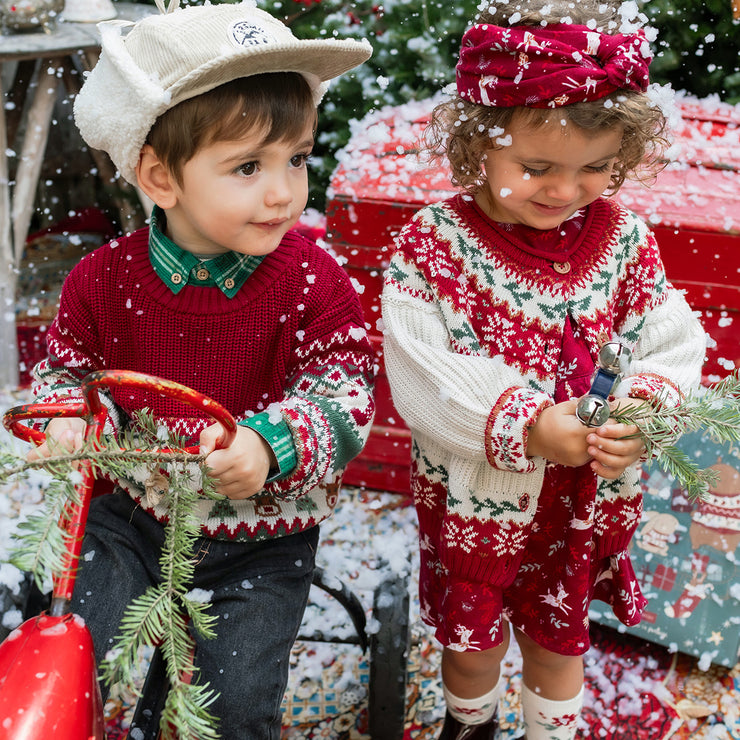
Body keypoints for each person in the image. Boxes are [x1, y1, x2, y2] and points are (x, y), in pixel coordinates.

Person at [27, 2, 374, 737]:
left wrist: (275, 442)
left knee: (230, 705)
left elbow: (345, 388)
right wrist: (66, 421)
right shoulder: (102, 281)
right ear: (160, 177)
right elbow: (67, 369)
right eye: (248, 166)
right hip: (129, 513)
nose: (283, 190)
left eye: (297, 158)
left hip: (260, 533)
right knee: (66, 635)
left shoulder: (312, 281)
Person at [380, 1, 706, 738]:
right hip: (476, 502)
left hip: (580, 501)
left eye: (595, 168)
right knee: (473, 646)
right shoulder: (435, 248)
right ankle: (472, 722)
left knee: (560, 642)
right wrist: (524, 425)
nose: (564, 191)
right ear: (476, 146)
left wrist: (641, 409)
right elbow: (422, 369)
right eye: (535, 169)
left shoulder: (623, 238)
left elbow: (671, 338)